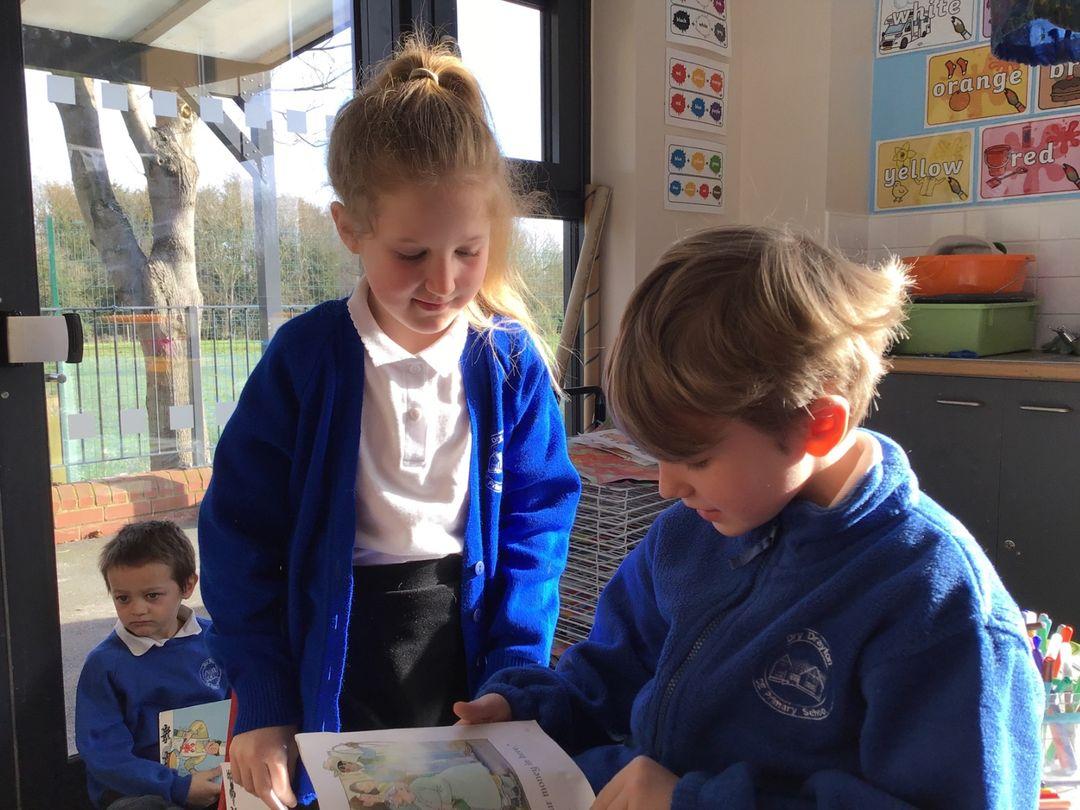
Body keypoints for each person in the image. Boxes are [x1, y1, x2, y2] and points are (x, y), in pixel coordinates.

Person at [456, 226, 1044, 809]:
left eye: (696, 459)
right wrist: (531, 712)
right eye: (658, 456)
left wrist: (690, 802)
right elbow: (605, 679)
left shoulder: (936, 605)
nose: (667, 486)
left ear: (819, 426)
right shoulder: (688, 535)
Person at [198, 35, 580, 809]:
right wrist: (263, 703)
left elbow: (536, 524)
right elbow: (240, 538)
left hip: (465, 649)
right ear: (350, 228)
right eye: (411, 254)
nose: (444, 281)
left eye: (468, 250)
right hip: (336, 653)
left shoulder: (508, 361)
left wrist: (515, 669)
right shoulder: (305, 359)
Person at [76, 520, 228, 810]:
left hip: (214, 777)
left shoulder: (217, 640)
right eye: (123, 598)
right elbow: (105, 755)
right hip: (139, 791)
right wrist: (177, 787)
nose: (137, 609)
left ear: (187, 586)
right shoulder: (105, 665)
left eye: (152, 596)